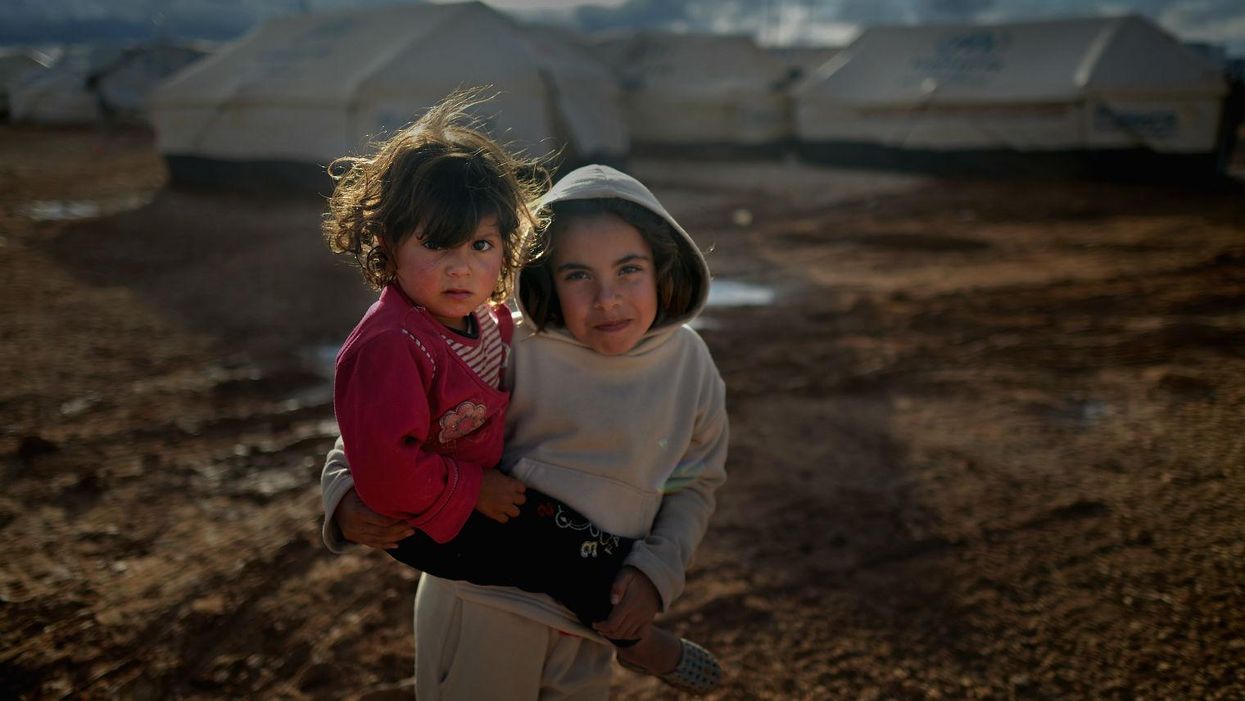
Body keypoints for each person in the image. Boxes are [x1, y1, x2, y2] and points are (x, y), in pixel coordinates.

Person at [323, 93, 725, 698]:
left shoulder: (691, 363)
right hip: (485, 604)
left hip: (599, 616)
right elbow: (374, 427)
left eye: (628, 270)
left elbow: (697, 480)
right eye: (577, 275)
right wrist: (343, 495)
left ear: (663, 267)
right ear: (542, 276)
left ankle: (639, 645)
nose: (607, 298)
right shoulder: (512, 341)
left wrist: (656, 573)